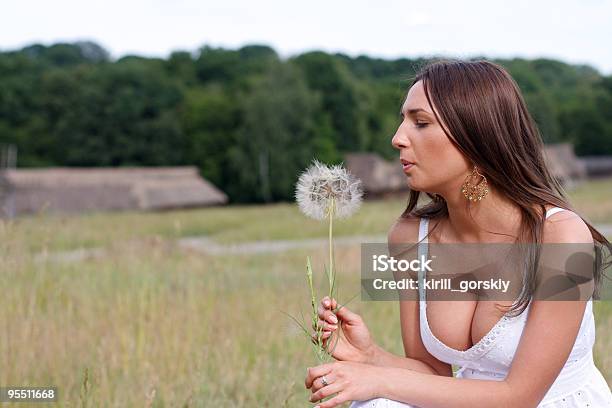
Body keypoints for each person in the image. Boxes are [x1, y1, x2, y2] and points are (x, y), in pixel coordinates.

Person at [304, 59, 612, 407]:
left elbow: (520, 397)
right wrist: (371, 357)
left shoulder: (560, 235)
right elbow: (433, 377)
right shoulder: (409, 237)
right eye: (403, 120)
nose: (397, 138)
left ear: (476, 137)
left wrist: (379, 379)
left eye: (420, 123)